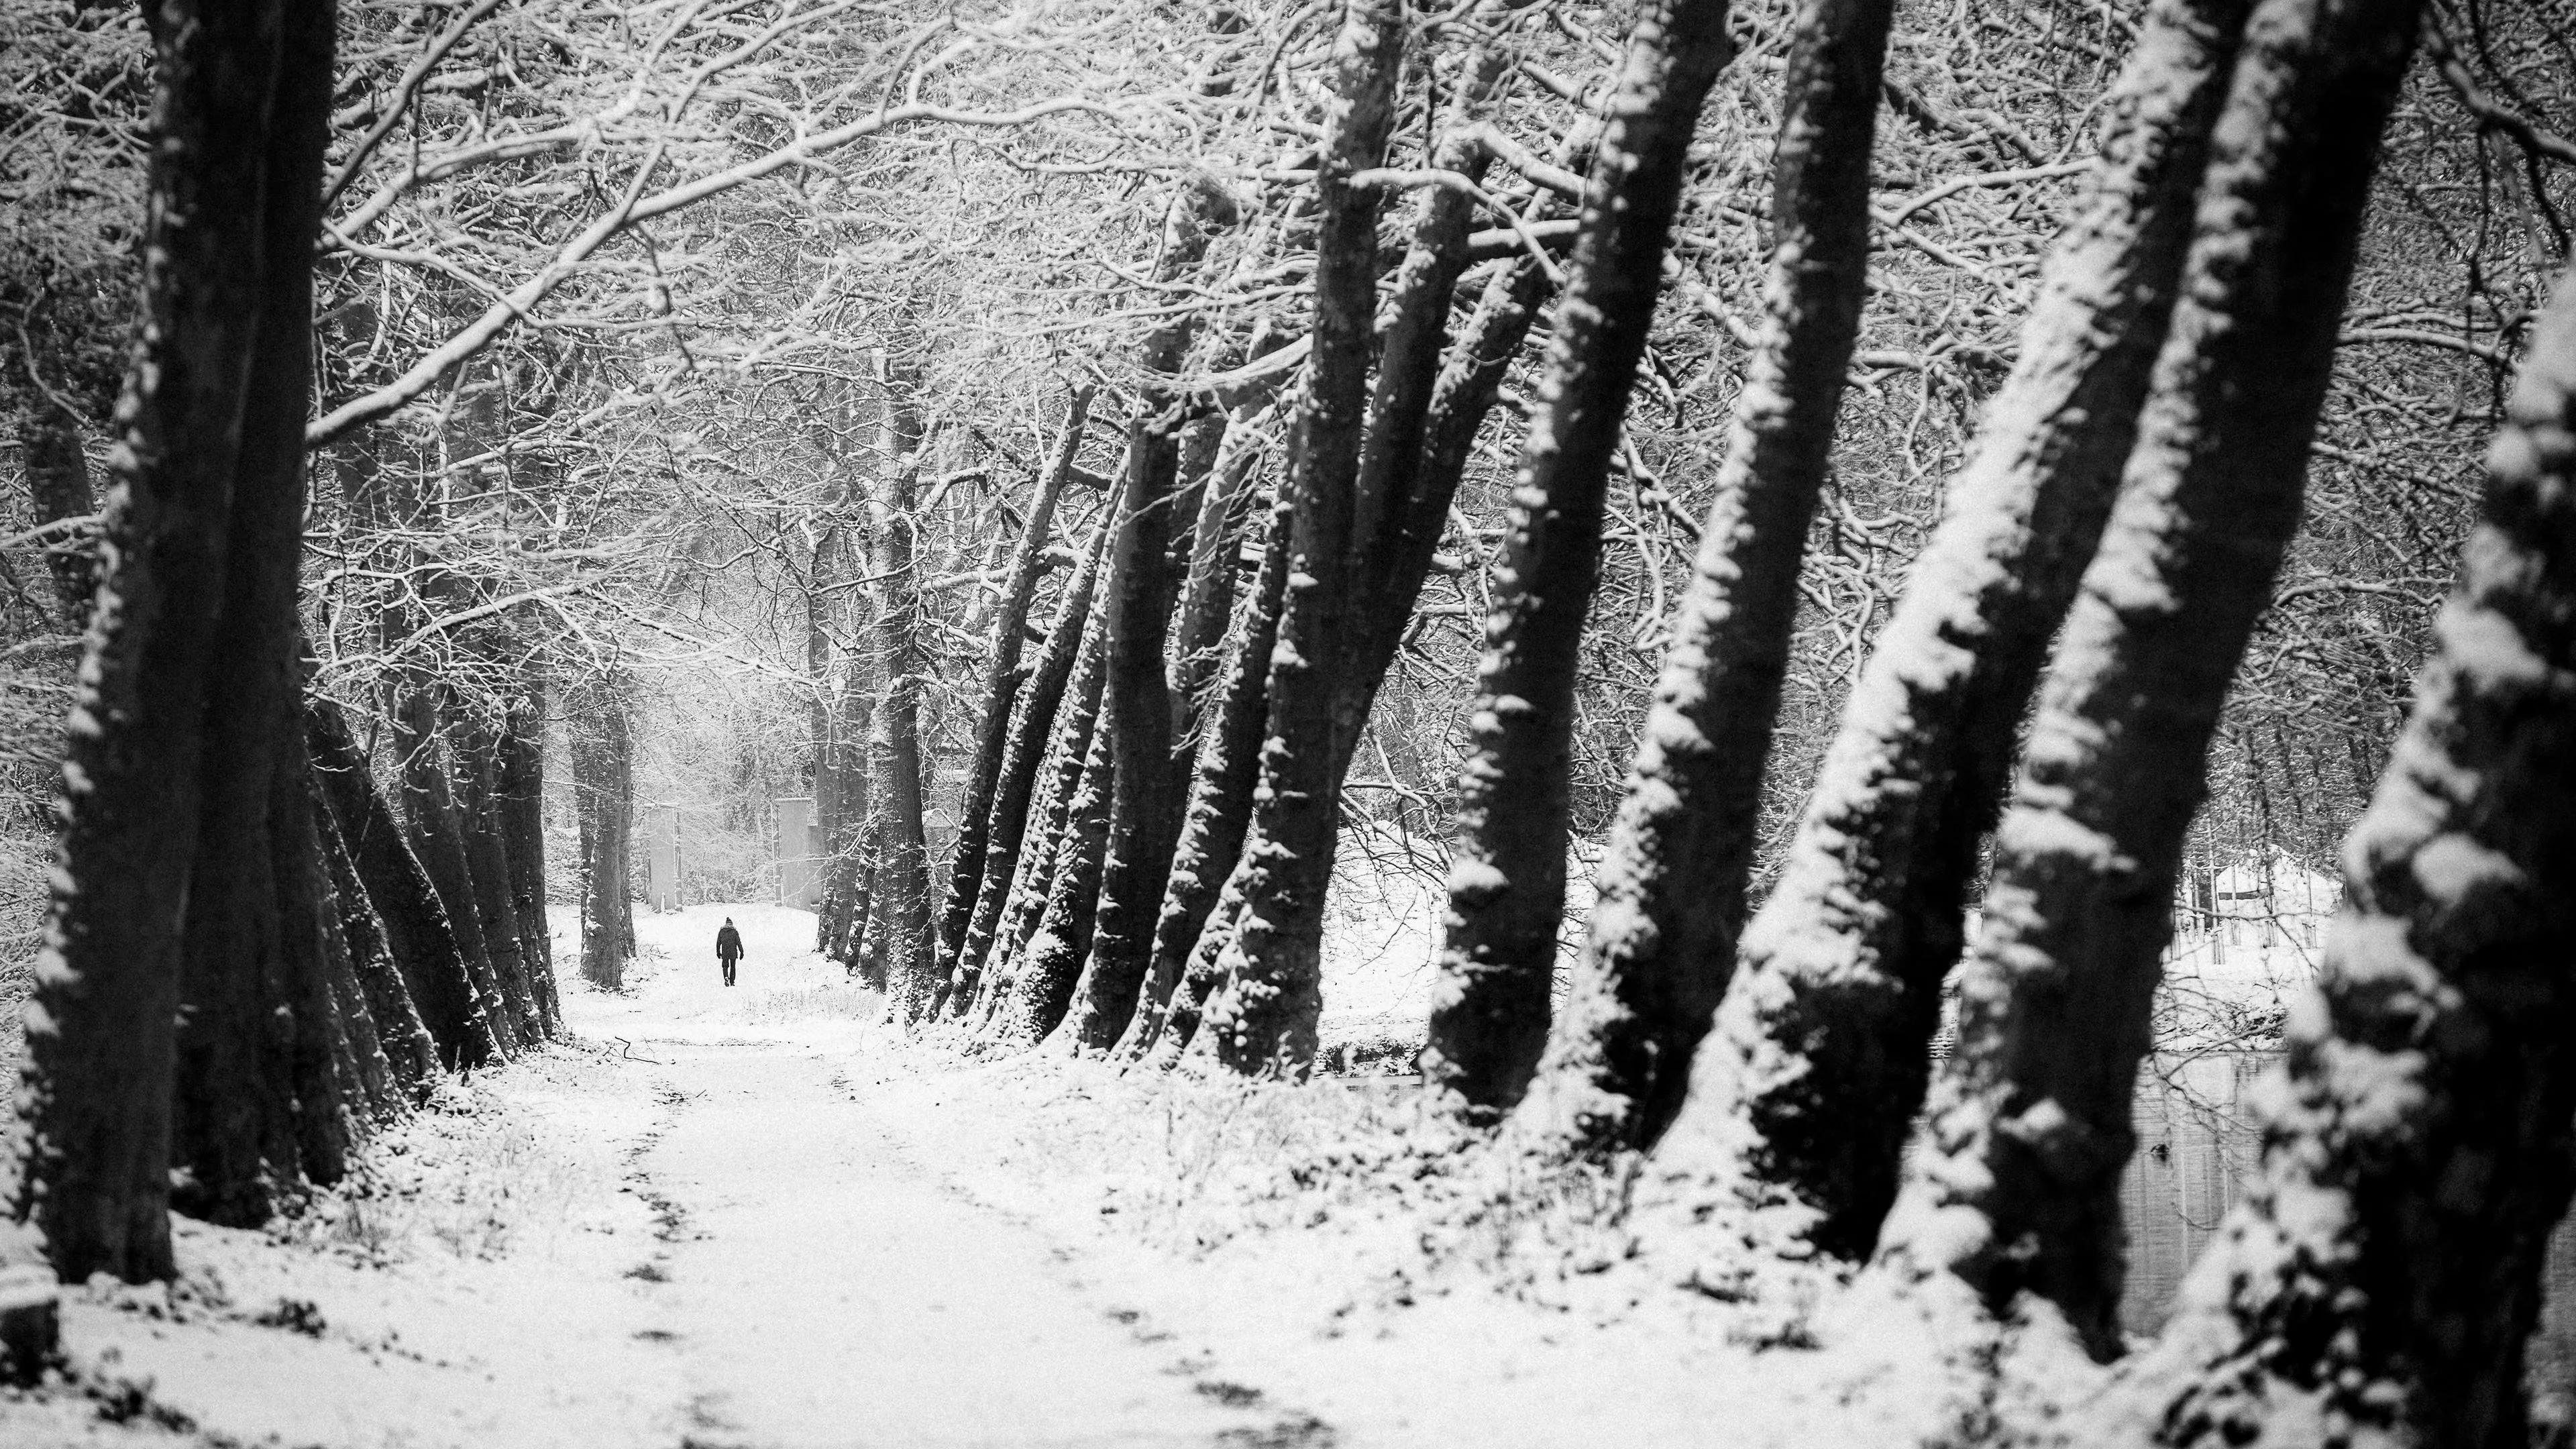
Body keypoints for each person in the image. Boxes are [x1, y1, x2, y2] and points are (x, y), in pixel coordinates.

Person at [716, 917, 744, 987]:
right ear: (732, 924)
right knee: (733, 967)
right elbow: (738, 943)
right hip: (733, 952)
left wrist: (718, 952)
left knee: (725, 966)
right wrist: (741, 952)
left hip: (725, 952)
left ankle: (726, 977)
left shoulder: (721, 932)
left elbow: (718, 943)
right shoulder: (734, 932)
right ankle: (732, 982)